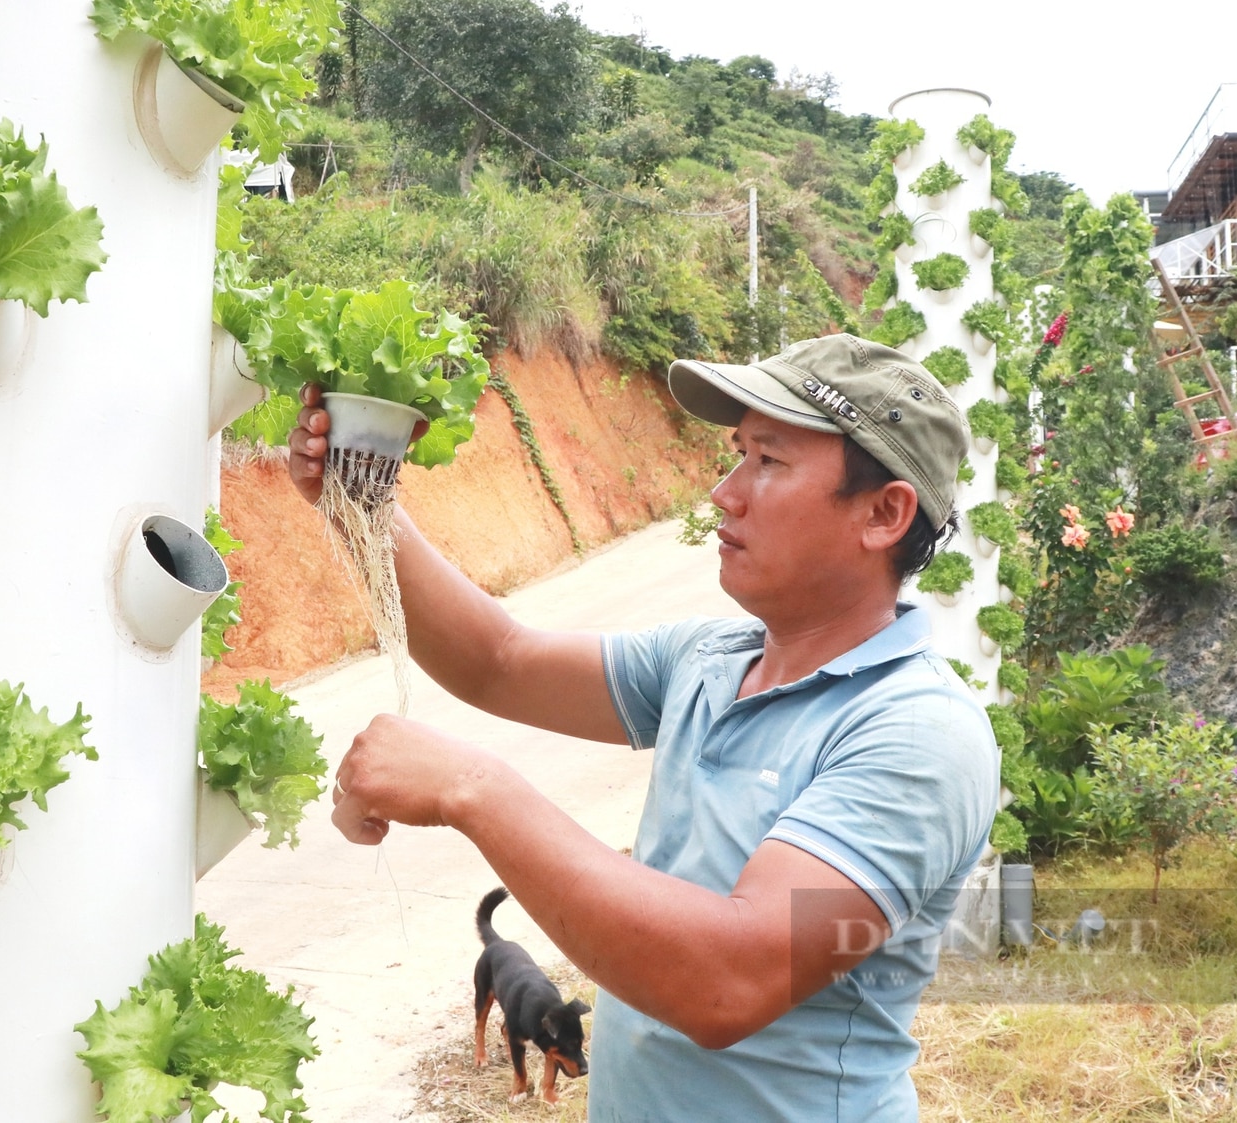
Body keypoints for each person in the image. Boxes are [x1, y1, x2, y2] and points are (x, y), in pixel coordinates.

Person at [290, 333, 1000, 1121]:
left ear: (883, 512)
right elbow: (497, 657)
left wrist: (473, 788)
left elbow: (727, 980)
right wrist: (360, 497)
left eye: (768, 461)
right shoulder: (708, 659)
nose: (724, 493)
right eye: (736, 454)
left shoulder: (918, 732)